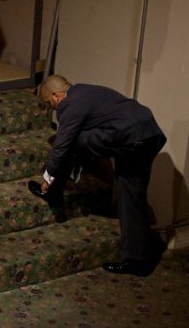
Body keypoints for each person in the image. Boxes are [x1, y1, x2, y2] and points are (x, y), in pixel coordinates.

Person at [30, 75, 168, 277]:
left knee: (70, 140)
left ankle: (52, 191)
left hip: (129, 137)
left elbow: (62, 145)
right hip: (150, 135)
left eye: (48, 103)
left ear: (56, 95)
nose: (51, 108)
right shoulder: (87, 91)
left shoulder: (70, 104)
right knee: (130, 195)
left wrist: (48, 177)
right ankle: (137, 260)